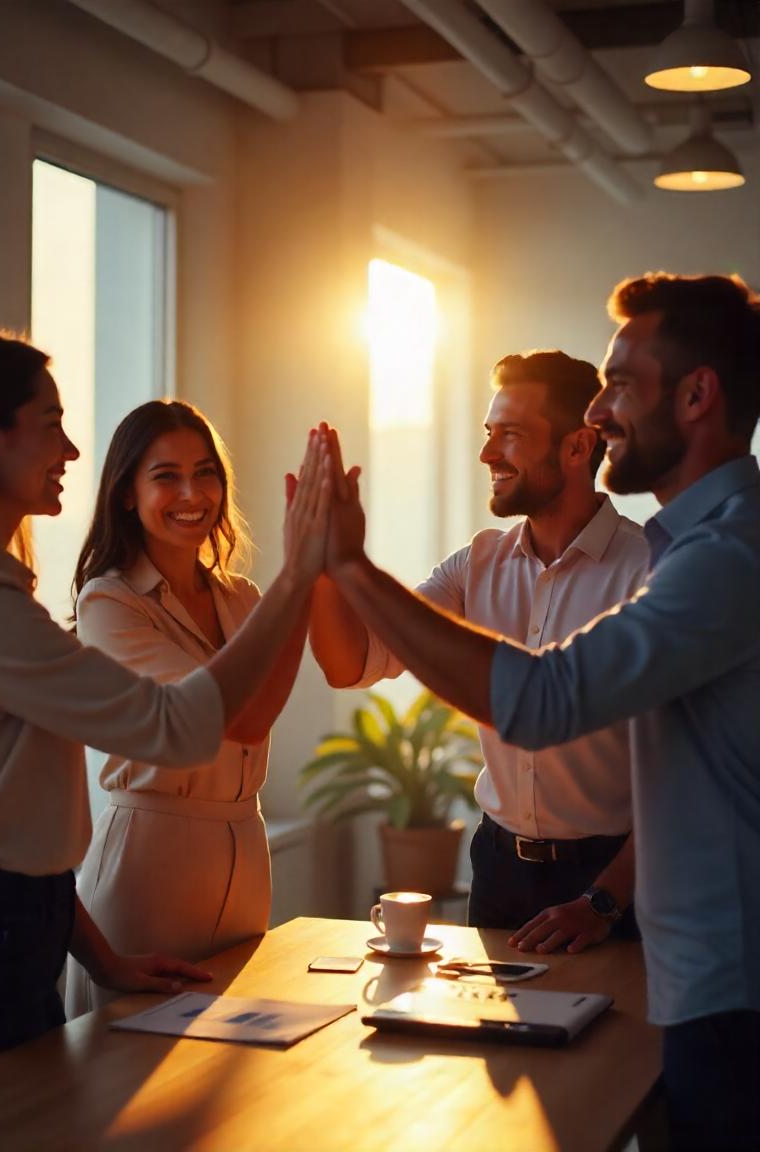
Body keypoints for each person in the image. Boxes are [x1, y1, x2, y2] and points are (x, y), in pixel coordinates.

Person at [320, 273, 760, 1150]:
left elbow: (545, 700)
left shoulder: (718, 557)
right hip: (631, 933)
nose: (602, 413)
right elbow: (352, 662)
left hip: (723, 974)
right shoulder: (689, 548)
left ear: (698, 394)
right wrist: (327, 571)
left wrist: (349, 565)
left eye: (621, 384)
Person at [0, 332, 330, 1090]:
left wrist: (106, 959)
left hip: (14, 943)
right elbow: (181, 726)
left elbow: (25, 845)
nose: (73, 449)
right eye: (51, 423)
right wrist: (300, 572)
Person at [310, 351, 649, 953]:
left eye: (510, 436)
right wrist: (320, 561)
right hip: (498, 871)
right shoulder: (476, 562)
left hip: (611, 884)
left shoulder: (649, 570)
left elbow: (676, 775)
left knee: (610, 1047)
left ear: (578, 446)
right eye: (489, 434)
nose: (488, 454)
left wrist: (603, 901)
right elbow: (350, 664)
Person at [65, 400, 311, 1015]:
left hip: (245, 852)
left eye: (206, 472)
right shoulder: (109, 604)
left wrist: (298, 588)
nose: (191, 492)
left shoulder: (243, 596)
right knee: (128, 1078)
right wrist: (301, 580)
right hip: (150, 864)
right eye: (165, 476)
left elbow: (260, 715)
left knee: (230, 1081)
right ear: (126, 494)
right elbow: (234, 721)